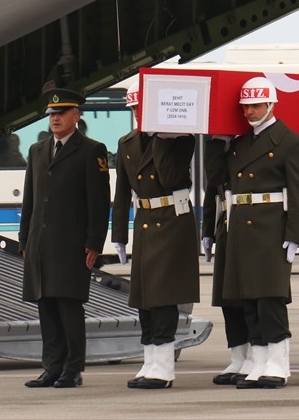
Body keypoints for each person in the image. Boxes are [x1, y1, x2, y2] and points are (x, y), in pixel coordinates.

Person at [212, 77, 299, 389]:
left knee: (270, 299)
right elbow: (216, 178)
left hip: (271, 229)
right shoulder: (240, 144)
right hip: (242, 228)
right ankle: (258, 360)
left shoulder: (290, 141)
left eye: (256, 105)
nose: (250, 111)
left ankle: (278, 363)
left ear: (271, 105)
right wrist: (216, 144)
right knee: (249, 300)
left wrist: (296, 234)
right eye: (246, 106)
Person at [20, 88, 111, 389]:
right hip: (41, 244)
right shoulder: (37, 150)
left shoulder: (91, 150)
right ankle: (52, 367)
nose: (55, 118)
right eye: (51, 114)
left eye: (61, 113)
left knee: (69, 306)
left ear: (76, 116)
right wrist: (25, 239)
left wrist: (95, 241)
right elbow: (30, 200)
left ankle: (73, 368)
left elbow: (99, 201)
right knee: (45, 305)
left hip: (72, 244)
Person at [110, 90, 199, 389]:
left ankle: (164, 368)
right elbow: (122, 192)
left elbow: (171, 177)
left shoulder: (181, 138)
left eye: (143, 108)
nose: (138, 114)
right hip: (146, 223)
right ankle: (150, 362)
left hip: (173, 221)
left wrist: (162, 137)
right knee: (144, 299)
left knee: (164, 296)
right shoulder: (126, 143)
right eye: (135, 109)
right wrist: (119, 234)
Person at [201, 133, 251, 385]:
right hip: (227, 223)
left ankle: (254, 353)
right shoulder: (221, 144)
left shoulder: (251, 142)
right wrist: (207, 230)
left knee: (247, 295)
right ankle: (238, 354)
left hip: (251, 225)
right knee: (226, 296)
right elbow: (213, 184)